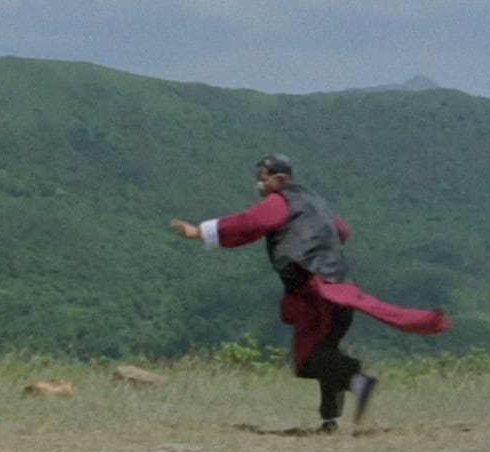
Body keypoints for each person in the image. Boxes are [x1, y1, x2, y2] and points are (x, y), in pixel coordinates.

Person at [171, 153, 450, 432]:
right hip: (338, 289)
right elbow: (343, 231)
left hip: (318, 294)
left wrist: (199, 231)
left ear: (280, 179)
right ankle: (329, 420)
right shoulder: (315, 202)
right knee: (324, 352)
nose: (259, 184)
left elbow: (249, 223)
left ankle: (358, 381)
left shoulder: (281, 202)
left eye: (263, 178)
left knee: (309, 360)